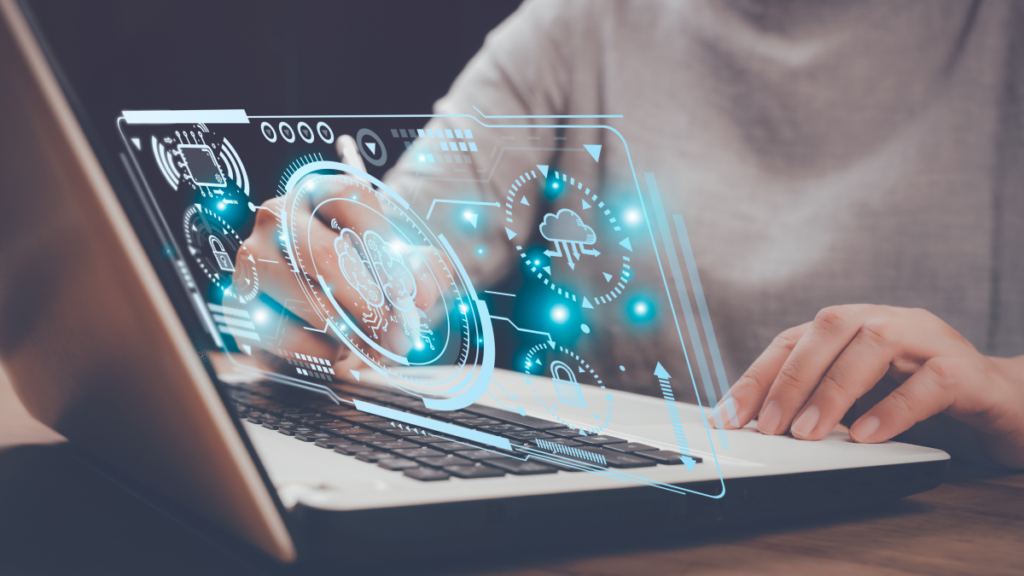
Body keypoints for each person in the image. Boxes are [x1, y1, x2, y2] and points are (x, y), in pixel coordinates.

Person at [240, 0, 1024, 469]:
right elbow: (416, 237)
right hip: (652, 531)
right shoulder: (583, 25)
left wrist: (1009, 389)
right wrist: (339, 283)